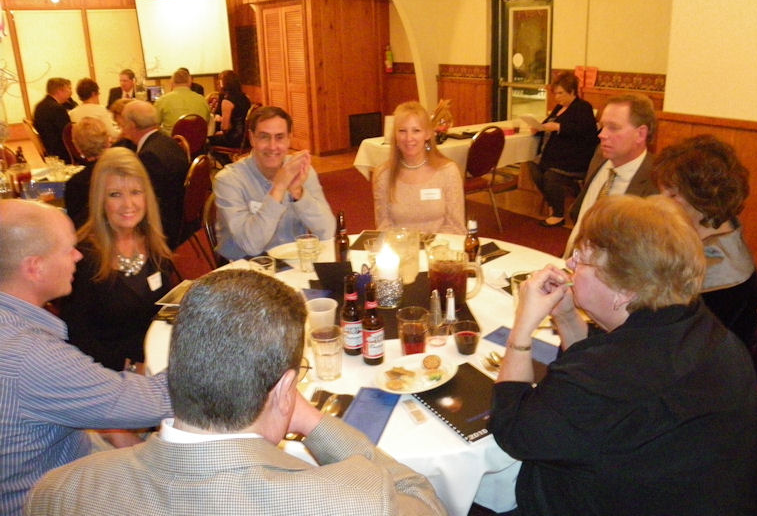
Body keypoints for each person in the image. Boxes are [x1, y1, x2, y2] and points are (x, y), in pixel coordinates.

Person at [26, 269, 447, 516]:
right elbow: (422, 499)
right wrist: (313, 421)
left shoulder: (60, 490)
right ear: (286, 388)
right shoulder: (353, 499)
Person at [490, 195, 757, 516]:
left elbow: (514, 432)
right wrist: (567, 316)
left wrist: (522, 327)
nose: (570, 265)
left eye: (582, 258)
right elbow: (601, 372)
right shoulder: (695, 323)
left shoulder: (610, 373)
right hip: (739, 493)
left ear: (625, 290)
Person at [0, 200, 172, 516]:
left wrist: (108, 424)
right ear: (35, 267)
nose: (78, 256)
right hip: (43, 500)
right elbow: (158, 400)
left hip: (63, 456)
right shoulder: (29, 355)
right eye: (68, 249)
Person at [60, 147, 178, 371]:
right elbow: (76, 337)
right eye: (115, 194)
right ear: (100, 200)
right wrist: (131, 367)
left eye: (135, 192)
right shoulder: (84, 257)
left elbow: (163, 307)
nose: (128, 205)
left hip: (159, 357)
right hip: (111, 372)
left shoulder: (154, 241)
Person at [653, 135, 757, 348]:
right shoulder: (721, 233)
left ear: (703, 198)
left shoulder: (720, 269)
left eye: (672, 195)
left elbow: (673, 340)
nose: (660, 202)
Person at [214, 106, 335, 261]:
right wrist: (279, 188)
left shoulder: (300, 171)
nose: (272, 146)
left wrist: (298, 192)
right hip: (247, 266)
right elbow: (251, 246)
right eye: (264, 137)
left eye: (279, 137)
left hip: (294, 262)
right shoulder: (229, 180)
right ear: (252, 138)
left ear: (289, 138)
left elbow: (327, 231)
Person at [563, 92, 658, 258]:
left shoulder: (655, 181)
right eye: (603, 126)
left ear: (641, 134)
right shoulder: (600, 157)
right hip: (571, 261)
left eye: (613, 128)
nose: (602, 134)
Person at [372, 101, 466, 234]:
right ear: (395, 136)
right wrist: (409, 245)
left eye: (416, 131)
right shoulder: (383, 174)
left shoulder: (448, 171)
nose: (409, 138)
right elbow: (384, 227)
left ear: (427, 134)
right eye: (402, 131)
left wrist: (427, 245)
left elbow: (456, 227)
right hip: (400, 246)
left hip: (441, 245)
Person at [529, 72, 598, 227]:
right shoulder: (559, 107)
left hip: (574, 158)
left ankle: (558, 214)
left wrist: (559, 127)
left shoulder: (583, 107)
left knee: (551, 175)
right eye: (555, 93)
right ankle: (552, 202)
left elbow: (585, 131)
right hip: (556, 156)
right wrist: (539, 129)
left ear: (572, 91)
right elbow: (547, 125)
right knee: (533, 167)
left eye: (561, 93)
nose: (557, 97)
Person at [118, 100, 189, 249]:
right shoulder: (168, 141)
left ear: (132, 125)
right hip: (182, 212)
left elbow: (147, 200)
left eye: (123, 123)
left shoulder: (149, 156)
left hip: (166, 223)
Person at [64, 117, 110, 229]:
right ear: (108, 141)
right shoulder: (125, 170)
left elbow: (76, 225)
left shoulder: (76, 183)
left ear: (78, 147)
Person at [154, 68, 211, 135]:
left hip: (172, 140)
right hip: (198, 140)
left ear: (171, 83)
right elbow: (206, 122)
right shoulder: (202, 100)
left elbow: (154, 126)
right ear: (190, 82)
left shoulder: (162, 101)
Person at [209, 69, 251, 151]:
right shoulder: (246, 97)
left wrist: (221, 131)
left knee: (207, 140)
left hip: (234, 139)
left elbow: (225, 128)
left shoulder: (227, 101)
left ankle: (220, 159)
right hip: (246, 139)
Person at [32, 77, 72, 162]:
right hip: (61, 152)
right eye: (68, 89)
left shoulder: (40, 106)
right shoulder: (57, 108)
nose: (70, 92)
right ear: (59, 91)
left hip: (49, 148)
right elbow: (68, 134)